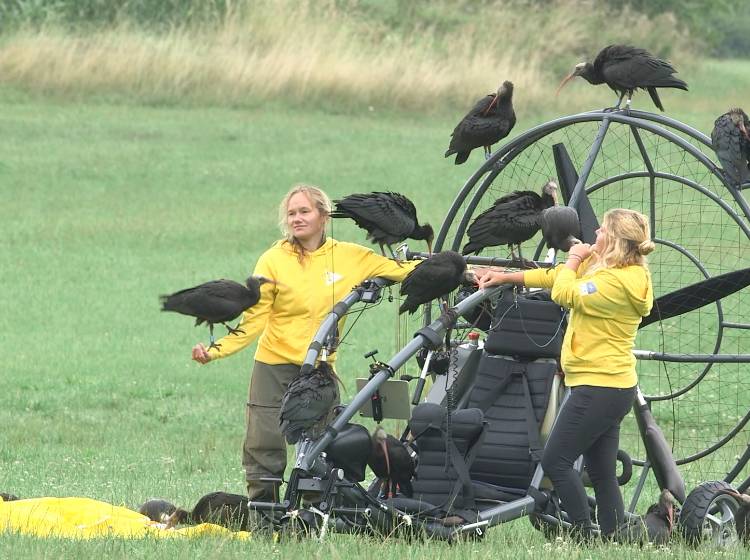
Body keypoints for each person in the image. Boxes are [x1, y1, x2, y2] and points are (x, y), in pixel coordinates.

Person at [191, 184, 417, 501]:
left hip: (319, 373)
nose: (296, 218)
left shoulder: (350, 257)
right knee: (264, 440)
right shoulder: (273, 260)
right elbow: (254, 319)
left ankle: (310, 514)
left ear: (323, 216)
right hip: (274, 365)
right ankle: (264, 511)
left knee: (321, 444)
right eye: (291, 213)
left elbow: (404, 271)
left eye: (304, 211)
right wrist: (214, 351)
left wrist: (463, 271)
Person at [475, 208, 654, 539]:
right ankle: (613, 538)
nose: (595, 233)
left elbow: (565, 292)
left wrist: (573, 256)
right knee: (601, 471)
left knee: (555, 460)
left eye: (602, 230)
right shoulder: (609, 270)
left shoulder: (614, 283)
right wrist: (506, 277)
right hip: (613, 387)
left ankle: (584, 537)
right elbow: (556, 277)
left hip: (598, 386)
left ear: (613, 240)